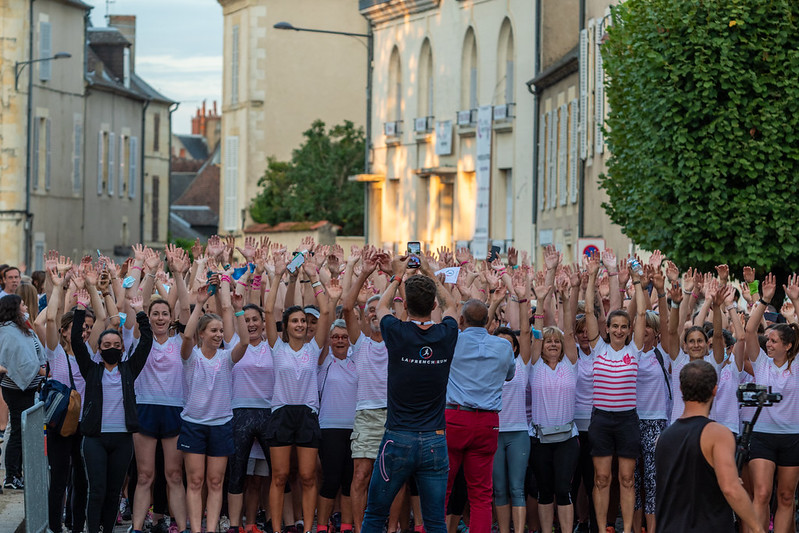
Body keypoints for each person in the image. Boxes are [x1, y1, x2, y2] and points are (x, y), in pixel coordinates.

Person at [361, 255, 458, 533]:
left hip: (398, 437)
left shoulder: (397, 331)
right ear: (433, 305)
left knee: (375, 515)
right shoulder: (445, 334)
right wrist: (429, 271)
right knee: (435, 521)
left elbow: (381, 306)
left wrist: (396, 277)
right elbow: (453, 305)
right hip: (434, 440)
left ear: (408, 304)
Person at [263, 252, 333, 533]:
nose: (301, 325)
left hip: (306, 415)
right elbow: (268, 312)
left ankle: (307, 528)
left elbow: (326, 312)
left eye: (304, 321)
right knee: (279, 476)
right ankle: (278, 528)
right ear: (287, 326)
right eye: (295, 321)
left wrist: (315, 277)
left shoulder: (313, 348)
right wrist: (278, 275)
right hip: (281, 414)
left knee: (307, 476)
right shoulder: (276, 348)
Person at [71, 294, 153, 533]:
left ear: (123, 348)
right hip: (95, 438)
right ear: (98, 348)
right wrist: (80, 308)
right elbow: (76, 341)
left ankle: (108, 529)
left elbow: (146, 342)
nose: (111, 349)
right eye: (106, 346)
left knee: (113, 491)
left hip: (122, 439)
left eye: (116, 346)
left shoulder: (129, 369)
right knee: (96, 489)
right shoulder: (91, 369)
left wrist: (140, 312)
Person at [654, 360, 763, 533]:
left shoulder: (662, 439)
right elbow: (730, 488)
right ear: (714, 389)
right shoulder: (717, 434)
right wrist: (758, 527)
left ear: (681, 389)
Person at [584, 253, 647, 533]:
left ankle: (628, 529)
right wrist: (591, 276)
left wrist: (638, 283)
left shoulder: (635, 350)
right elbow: (588, 313)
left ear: (629, 330)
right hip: (601, 420)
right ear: (607, 329)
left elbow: (643, 313)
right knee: (601, 478)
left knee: (627, 479)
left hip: (626, 420)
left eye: (624, 326)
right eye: (615, 326)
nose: (619, 330)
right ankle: (601, 528)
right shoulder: (598, 348)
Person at [179, 280, 249, 533]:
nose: (219, 335)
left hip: (221, 424)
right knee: (195, 481)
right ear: (202, 334)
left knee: (216, 481)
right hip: (194, 424)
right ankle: (196, 529)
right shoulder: (191, 356)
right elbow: (186, 335)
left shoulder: (226, 358)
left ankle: (211, 530)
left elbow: (243, 343)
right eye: (213, 331)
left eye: (221, 330)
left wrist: (238, 311)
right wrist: (198, 304)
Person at [131, 246, 191, 533]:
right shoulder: (141, 338)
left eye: (164, 313)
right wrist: (151, 270)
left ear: (170, 317)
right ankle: (137, 526)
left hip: (174, 411)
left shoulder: (180, 341)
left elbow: (187, 309)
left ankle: (179, 525)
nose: (159, 318)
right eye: (155, 314)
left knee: (174, 474)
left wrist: (178, 273)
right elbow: (141, 305)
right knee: (144, 475)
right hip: (144, 408)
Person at [444, 298, 515, 533]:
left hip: (455, 418)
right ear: (488, 322)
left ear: (462, 320)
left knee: (441, 487)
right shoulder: (504, 347)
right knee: (481, 495)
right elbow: (509, 376)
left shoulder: (452, 340)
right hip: (487, 422)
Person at [744, 273, 799, 533]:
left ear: (788, 346)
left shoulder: (796, 365)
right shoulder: (761, 362)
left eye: (775, 341)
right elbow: (749, 330)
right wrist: (763, 300)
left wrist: (796, 301)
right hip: (762, 436)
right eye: (769, 341)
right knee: (762, 493)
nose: (769, 345)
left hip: (792, 436)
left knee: (786, 498)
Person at [341, 249, 390, 533]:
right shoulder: (360, 343)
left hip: (396, 416)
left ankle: (392, 527)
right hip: (367, 415)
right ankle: (361, 529)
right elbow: (347, 308)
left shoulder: (399, 340)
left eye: (379, 310)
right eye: (370, 309)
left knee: (394, 478)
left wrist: (395, 273)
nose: (374, 313)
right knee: (361, 475)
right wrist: (364, 274)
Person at [528, 274, 580, 533]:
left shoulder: (571, 365)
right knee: (544, 489)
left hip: (566, 439)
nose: (552, 344)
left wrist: (565, 298)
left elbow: (569, 332)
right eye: (548, 341)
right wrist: (540, 300)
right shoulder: (535, 366)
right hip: (539, 438)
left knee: (563, 488)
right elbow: (535, 335)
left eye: (556, 342)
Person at [0, 293, 46, 490]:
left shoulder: (22, 326)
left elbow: (33, 353)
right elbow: (13, 357)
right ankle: (11, 475)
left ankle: (17, 473)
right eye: (22, 305)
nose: (26, 307)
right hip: (16, 388)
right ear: (14, 308)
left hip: (29, 387)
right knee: (19, 430)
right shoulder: (6, 331)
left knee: (22, 430)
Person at [317, 319, 358, 533]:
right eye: (335, 337)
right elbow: (321, 339)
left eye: (344, 336)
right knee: (330, 479)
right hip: (329, 427)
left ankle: (346, 526)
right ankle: (322, 525)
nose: (340, 340)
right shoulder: (323, 361)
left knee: (350, 480)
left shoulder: (357, 359)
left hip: (355, 428)